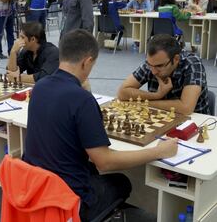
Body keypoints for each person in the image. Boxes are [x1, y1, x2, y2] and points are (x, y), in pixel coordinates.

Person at [23, 29, 178, 221]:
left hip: (35, 185)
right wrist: (158, 151)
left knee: (90, 169)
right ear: (87, 62)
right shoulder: (83, 100)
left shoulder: (40, 87)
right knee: (121, 182)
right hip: (68, 197)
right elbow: (104, 162)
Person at [118, 34, 210, 115]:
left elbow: (186, 108)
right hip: (161, 117)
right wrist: (157, 95)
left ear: (176, 59)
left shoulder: (192, 63)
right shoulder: (153, 63)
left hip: (194, 123)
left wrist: (141, 103)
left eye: (159, 66)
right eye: (150, 65)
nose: (153, 71)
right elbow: (122, 92)